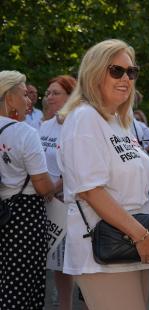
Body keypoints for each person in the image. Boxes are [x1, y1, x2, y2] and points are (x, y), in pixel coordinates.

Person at [58, 39, 149, 310]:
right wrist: (141, 236)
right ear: (94, 73)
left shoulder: (119, 121)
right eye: (116, 71)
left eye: (131, 72)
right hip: (104, 248)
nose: (125, 78)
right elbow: (91, 190)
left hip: (133, 241)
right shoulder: (84, 118)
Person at [0, 70, 55, 309]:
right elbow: (42, 185)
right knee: (21, 285)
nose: (29, 101)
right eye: (24, 95)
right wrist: (57, 187)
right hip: (23, 217)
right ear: (9, 98)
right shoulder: (24, 132)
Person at [39, 74, 77, 310]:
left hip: (69, 202)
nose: (49, 97)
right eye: (48, 93)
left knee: (74, 261)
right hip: (48, 202)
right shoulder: (44, 125)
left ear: (70, 96)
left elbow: (75, 165)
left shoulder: (77, 124)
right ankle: (65, 306)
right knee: (57, 261)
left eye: (55, 93)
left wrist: (54, 189)